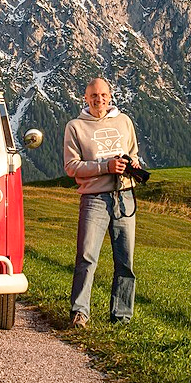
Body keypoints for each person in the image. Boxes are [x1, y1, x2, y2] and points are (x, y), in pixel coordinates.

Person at [63, 77, 140, 328]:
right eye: (94, 96)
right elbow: (71, 167)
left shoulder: (124, 121)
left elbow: (133, 152)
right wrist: (105, 166)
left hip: (125, 195)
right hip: (94, 197)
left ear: (110, 96)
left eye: (103, 95)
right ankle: (80, 313)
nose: (99, 100)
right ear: (85, 98)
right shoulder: (75, 127)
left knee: (125, 260)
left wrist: (134, 165)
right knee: (86, 256)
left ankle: (121, 317)